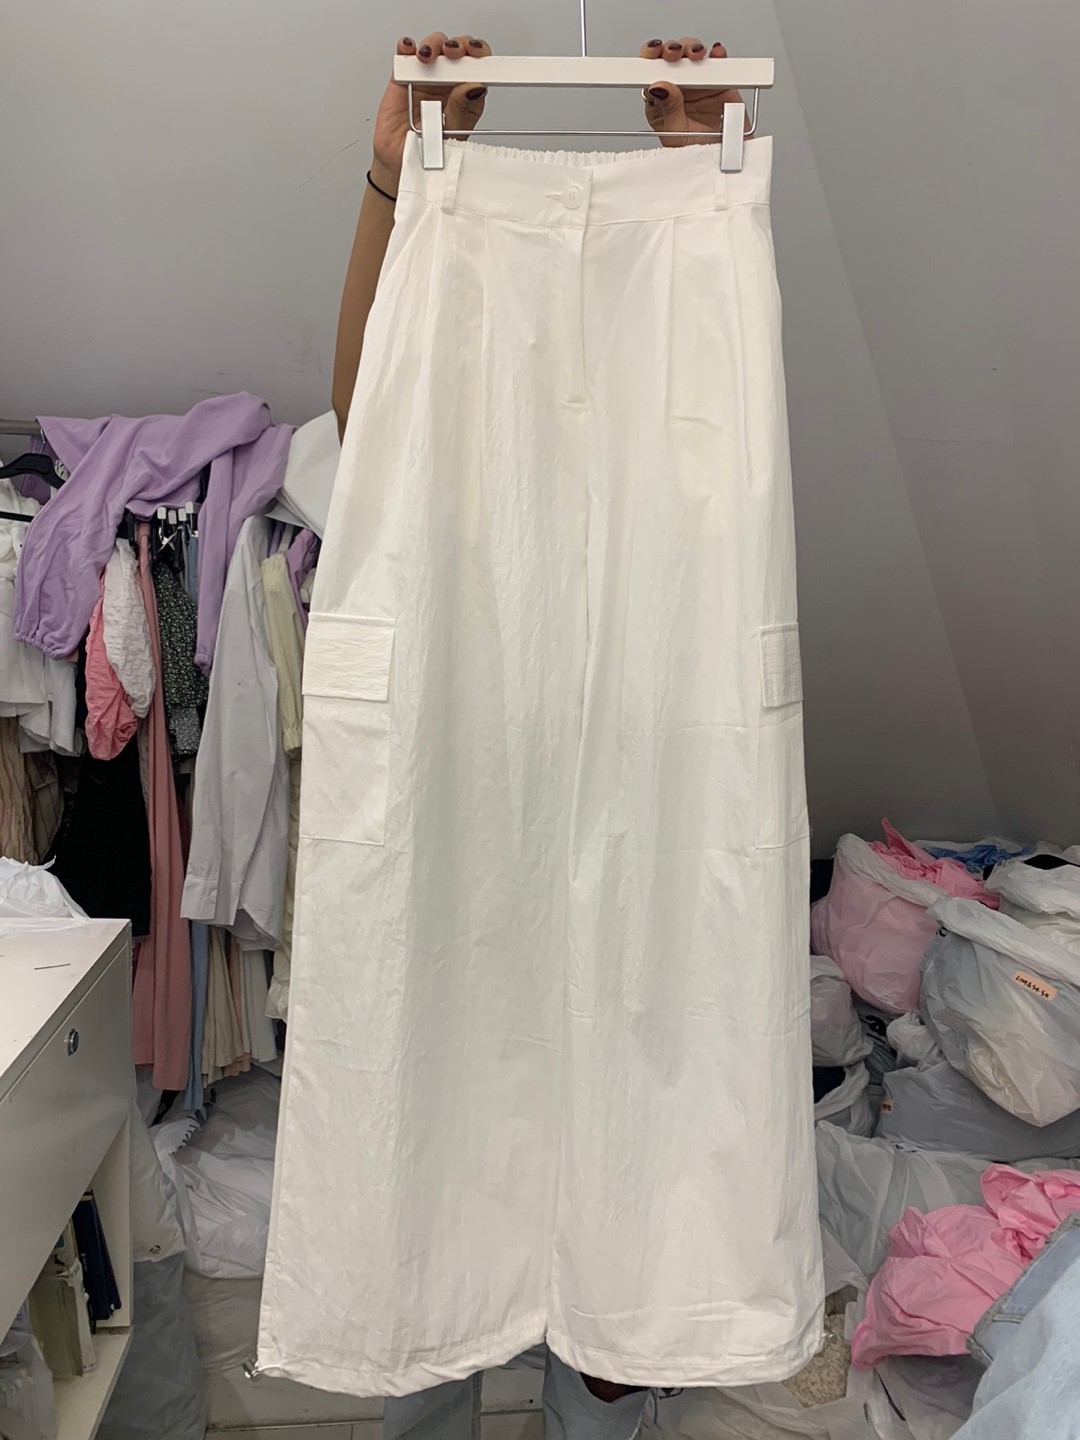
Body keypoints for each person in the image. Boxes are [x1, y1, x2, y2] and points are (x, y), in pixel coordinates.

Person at [329, 32, 751, 1440]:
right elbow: (364, 411)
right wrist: (400, 178)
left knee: (624, 1192)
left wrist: (700, 176)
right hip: (456, 810)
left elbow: (718, 453)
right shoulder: (440, 389)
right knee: (429, 1192)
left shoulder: (685, 357)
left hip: (637, 805)